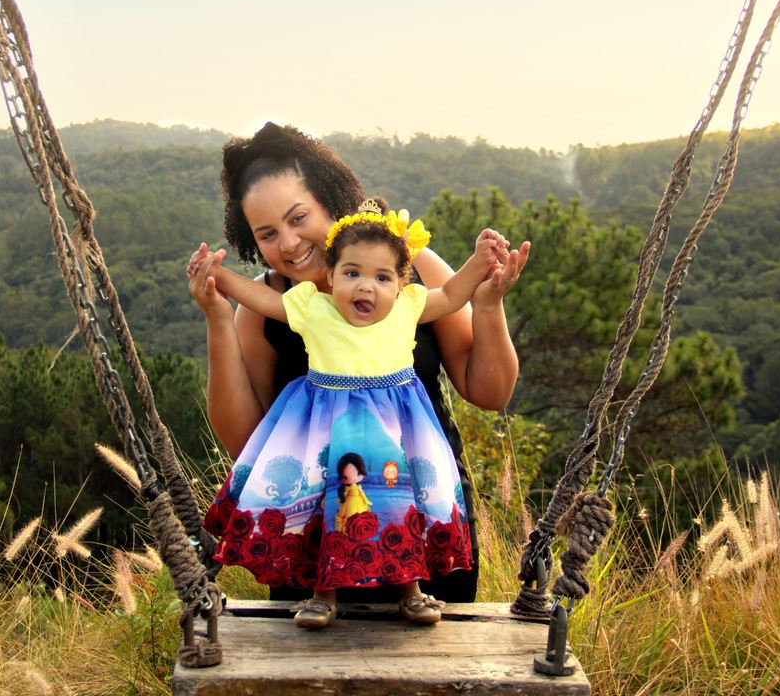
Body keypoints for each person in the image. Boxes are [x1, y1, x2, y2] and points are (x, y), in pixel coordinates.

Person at [187, 122, 530, 604]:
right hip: (306, 538)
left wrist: (489, 306)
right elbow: (242, 439)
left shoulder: (412, 274)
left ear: (332, 200)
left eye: (298, 217)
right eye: (267, 233)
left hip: (421, 515)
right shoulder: (266, 308)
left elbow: (491, 393)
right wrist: (218, 321)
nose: (287, 242)